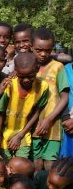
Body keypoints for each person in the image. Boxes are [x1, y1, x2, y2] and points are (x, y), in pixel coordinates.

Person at [0, 52, 49, 159]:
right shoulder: (10, 85)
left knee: (21, 163)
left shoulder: (43, 87)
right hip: (5, 133)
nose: (26, 80)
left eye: (31, 76)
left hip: (24, 133)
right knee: (6, 163)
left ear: (37, 69)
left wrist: (20, 135)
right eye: (22, 77)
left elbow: (36, 113)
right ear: (16, 71)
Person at [31, 28, 70, 171]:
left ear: (52, 48)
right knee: (35, 162)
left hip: (52, 125)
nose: (43, 54)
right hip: (31, 124)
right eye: (38, 50)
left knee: (50, 163)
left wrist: (49, 119)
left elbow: (64, 96)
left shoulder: (58, 67)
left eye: (47, 50)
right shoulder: (27, 66)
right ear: (31, 47)